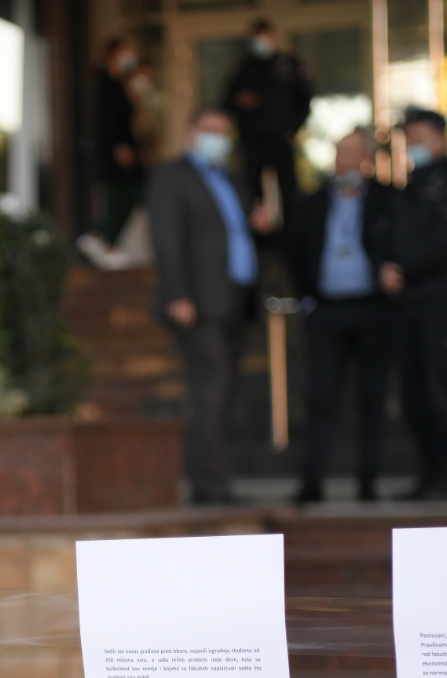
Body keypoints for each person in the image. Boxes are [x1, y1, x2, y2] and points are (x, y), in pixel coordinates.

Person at [148, 108, 264, 505]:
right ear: (190, 132)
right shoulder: (170, 176)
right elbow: (166, 238)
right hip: (197, 304)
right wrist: (178, 293)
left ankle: (210, 481)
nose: (219, 138)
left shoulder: (231, 179)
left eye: (224, 131)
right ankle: (210, 487)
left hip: (235, 302)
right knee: (211, 394)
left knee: (224, 394)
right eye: (211, 130)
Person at [378, 106, 447, 501]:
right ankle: (427, 471)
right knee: (414, 392)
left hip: (444, 301)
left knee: (444, 385)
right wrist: (385, 268)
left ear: (441, 138)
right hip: (408, 304)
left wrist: (404, 266)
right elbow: (385, 237)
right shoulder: (405, 191)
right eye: (410, 136)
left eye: (421, 135)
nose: (416, 144)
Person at [286, 128, 393, 504]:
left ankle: (368, 481)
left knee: (372, 396)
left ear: (365, 159)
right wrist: (308, 298)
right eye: (337, 153)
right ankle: (311, 482)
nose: (340, 160)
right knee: (319, 396)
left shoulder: (386, 200)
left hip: (373, 311)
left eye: (348, 153)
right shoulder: (313, 202)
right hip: (327, 311)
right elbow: (295, 251)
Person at [222, 19, 312, 198]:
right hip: (252, 141)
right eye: (257, 37)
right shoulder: (243, 69)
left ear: (274, 37)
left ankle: (292, 226)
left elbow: (305, 99)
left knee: (288, 189)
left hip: (281, 138)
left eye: (265, 36)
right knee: (251, 189)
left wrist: (293, 129)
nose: (261, 42)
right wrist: (240, 101)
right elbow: (226, 102)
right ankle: (255, 224)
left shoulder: (288, 65)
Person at [78, 37, 147, 266]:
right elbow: (106, 121)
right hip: (114, 155)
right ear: (113, 54)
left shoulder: (120, 84)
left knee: (133, 195)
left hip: (125, 152)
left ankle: (108, 243)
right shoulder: (105, 84)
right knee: (119, 198)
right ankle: (99, 239)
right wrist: (120, 145)